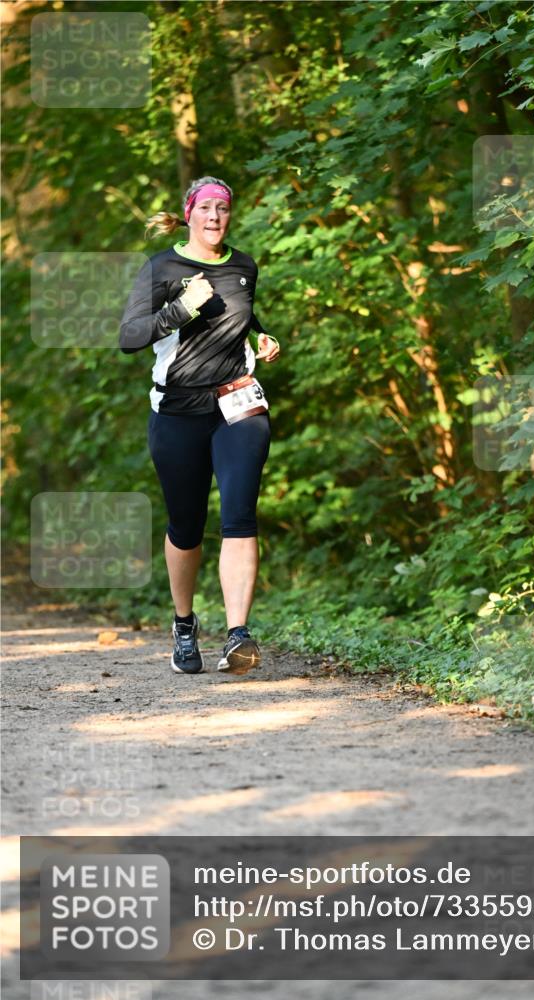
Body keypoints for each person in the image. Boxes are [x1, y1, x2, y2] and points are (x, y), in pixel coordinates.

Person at [119, 175, 279, 676]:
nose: (214, 217)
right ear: (188, 214)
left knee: (240, 516)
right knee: (186, 527)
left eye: (222, 208)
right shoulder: (162, 267)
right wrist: (179, 309)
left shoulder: (244, 266)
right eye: (206, 208)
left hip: (238, 405)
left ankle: (238, 635)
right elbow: (129, 336)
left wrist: (263, 336)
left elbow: (243, 317)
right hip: (177, 411)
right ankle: (184, 624)